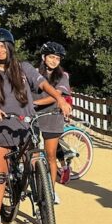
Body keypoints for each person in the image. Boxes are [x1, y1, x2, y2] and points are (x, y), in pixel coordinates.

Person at [0, 28, 72, 224]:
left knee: (35, 161)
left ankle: (43, 193)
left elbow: (43, 83)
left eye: (3, 47)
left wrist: (60, 99)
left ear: (10, 48)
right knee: (0, 174)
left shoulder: (24, 68)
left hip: (24, 124)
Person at [32, 41, 71, 205]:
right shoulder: (33, 73)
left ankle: (52, 191)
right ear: (43, 57)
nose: (54, 61)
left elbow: (57, 95)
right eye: (51, 57)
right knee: (32, 156)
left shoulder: (62, 77)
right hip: (32, 117)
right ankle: (34, 186)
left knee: (50, 156)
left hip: (52, 116)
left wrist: (34, 103)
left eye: (57, 58)